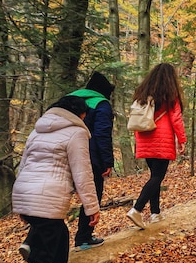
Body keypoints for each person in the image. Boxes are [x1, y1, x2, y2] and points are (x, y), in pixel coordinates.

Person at [12, 96, 100, 263]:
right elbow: (83, 173)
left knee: (61, 234)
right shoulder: (76, 132)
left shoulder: (37, 130)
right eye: (85, 115)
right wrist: (92, 208)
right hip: (46, 197)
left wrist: (22, 203)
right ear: (79, 114)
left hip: (26, 192)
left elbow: (24, 166)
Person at [127, 63, 187, 228]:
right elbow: (176, 119)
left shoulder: (142, 93)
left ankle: (155, 213)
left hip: (144, 137)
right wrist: (182, 140)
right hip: (161, 138)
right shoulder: (170, 94)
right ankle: (137, 209)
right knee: (157, 177)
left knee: (155, 176)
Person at [68, 71, 115, 251]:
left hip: (61, 156)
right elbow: (102, 134)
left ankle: (32, 242)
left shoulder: (68, 100)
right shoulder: (101, 104)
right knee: (93, 194)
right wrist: (107, 161)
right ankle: (84, 238)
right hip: (90, 158)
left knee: (55, 198)